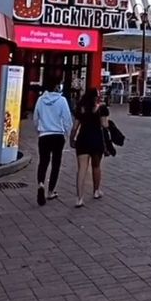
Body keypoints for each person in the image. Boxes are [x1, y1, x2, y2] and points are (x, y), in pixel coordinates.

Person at [33, 77, 73, 206]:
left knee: (43, 162)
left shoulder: (40, 100)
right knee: (56, 163)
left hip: (44, 135)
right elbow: (67, 120)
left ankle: (40, 184)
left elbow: (35, 118)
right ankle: (51, 191)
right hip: (58, 135)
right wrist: (67, 134)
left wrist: (39, 131)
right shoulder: (62, 100)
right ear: (56, 86)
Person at [70, 88, 110, 207]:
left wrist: (72, 139)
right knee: (96, 166)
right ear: (95, 97)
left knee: (82, 169)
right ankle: (96, 191)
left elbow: (75, 127)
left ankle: (79, 198)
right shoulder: (101, 109)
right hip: (96, 140)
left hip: (82, 140)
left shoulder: (81, 109)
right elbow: (104, 125)